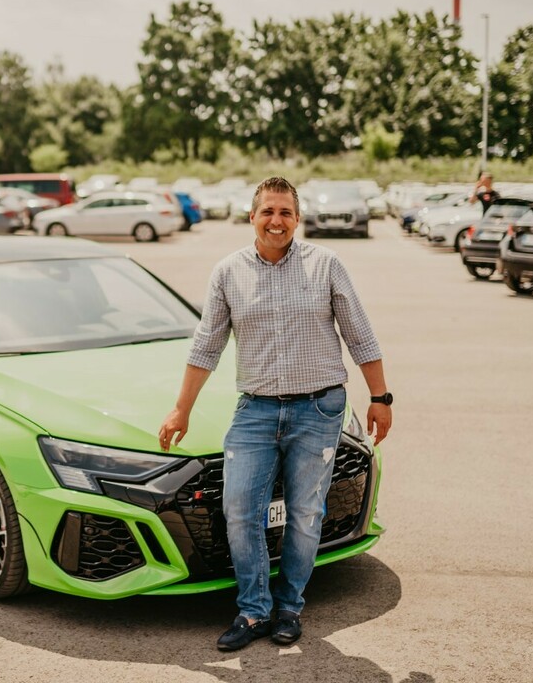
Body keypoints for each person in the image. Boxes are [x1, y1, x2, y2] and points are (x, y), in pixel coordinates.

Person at [158, 176, 392, 652]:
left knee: (305, 513)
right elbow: (206, 345)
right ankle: (253, 610)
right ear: (252, 216)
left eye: (285, 212)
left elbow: (360, 334)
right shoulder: (228, 272)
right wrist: (182, 409)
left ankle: (289, 607)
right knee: (240, 509)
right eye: (268, 211)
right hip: (256, 411)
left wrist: (380, 397)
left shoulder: (326, 265)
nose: (276, 220)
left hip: (318, 408)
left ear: (297, 218)